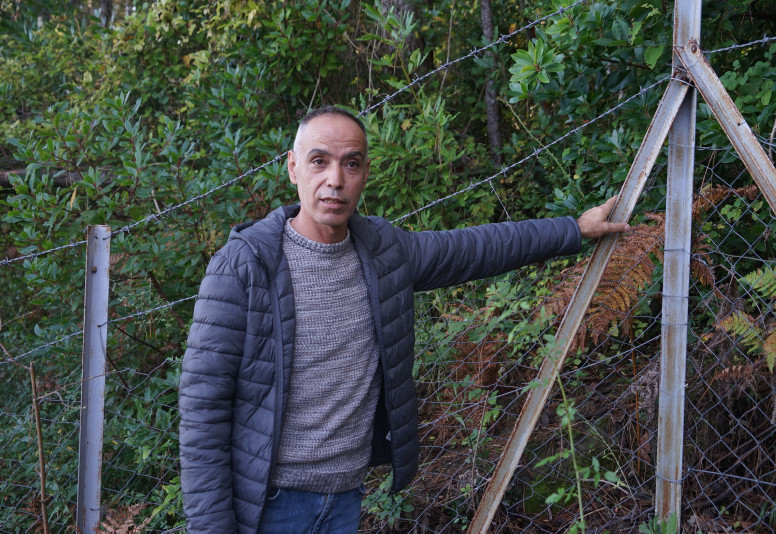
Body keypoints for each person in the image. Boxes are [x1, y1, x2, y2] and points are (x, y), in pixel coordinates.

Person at [178, 106, 630, 534]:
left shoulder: (384, 253)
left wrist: (573, 229)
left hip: (345, 500)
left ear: (365, 173)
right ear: (293, 168)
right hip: (268, 505)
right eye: (319, 162)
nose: (335, 179)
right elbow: (202, 413)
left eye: (351, 164)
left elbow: (477, 248)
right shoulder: (244, 266)